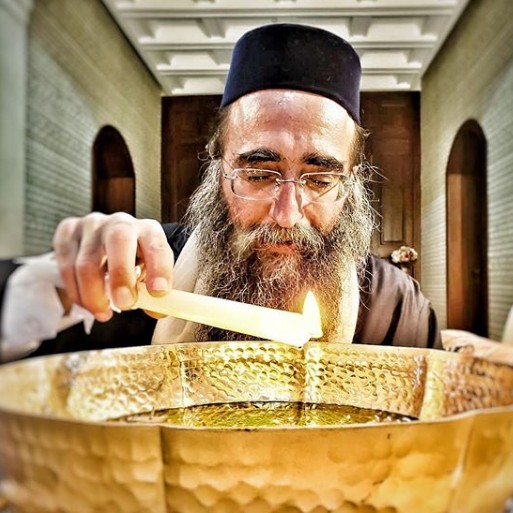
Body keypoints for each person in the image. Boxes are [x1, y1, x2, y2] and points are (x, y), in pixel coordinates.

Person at [0, 23, 441, 362]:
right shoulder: (141, 272)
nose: (287, 215)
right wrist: (52, 290)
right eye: (259, 175)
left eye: (319, 180)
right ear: (218, 170)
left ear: (350, 187)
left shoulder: (396, 308)